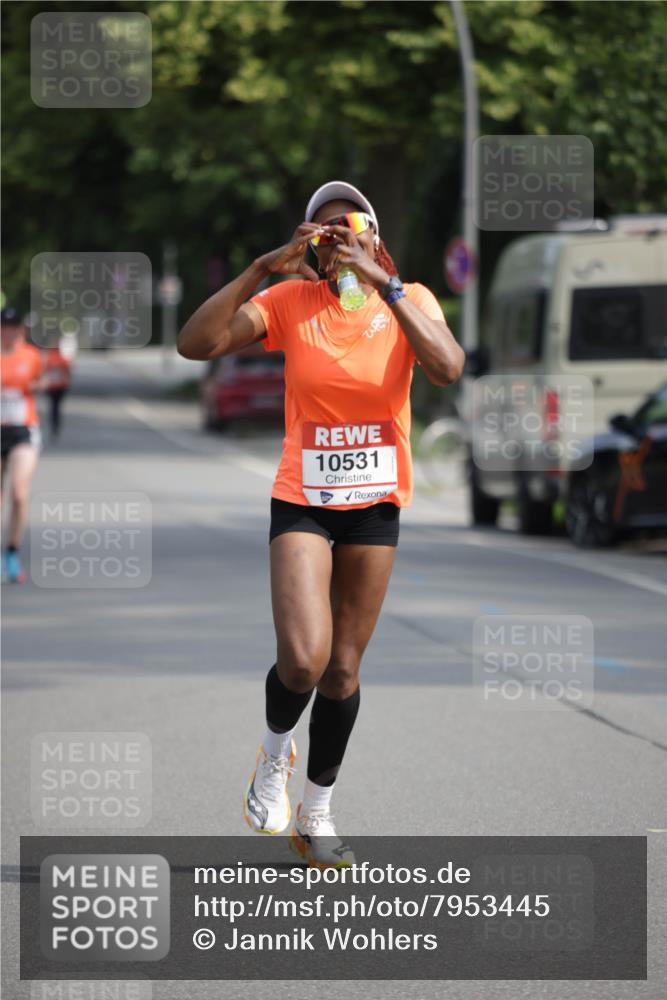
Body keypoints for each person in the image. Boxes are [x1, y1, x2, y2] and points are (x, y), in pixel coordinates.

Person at [178, 181, 464, 868]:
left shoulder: (411, 299)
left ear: (375, 237)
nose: (340, 235)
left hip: (374, 503)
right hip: (303, 498)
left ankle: (316, 814)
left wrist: (385, 283)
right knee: (303, 659)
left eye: (353, 223)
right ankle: (273, 757)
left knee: (341, 671)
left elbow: (447, 367)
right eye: (324, 228)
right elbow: (196, 344)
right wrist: (261, 268)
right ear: (310, 243)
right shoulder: (289, 302)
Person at [1, 307, 46, 583]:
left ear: (21, 329)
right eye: (4, 326)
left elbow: (42, 380)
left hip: (23, 430)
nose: (9, 331)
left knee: (19, 493)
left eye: (14, 326)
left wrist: (35, 386)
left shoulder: (30, 355)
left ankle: (12, 553)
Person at [43, 343, 72, 439]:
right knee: (56, 408)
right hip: (57, 387)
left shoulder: (49, 359)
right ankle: (55, 426)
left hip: (54, 387)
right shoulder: (62, 359)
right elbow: (68, 371)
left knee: (53, 407)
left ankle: (54, 426)